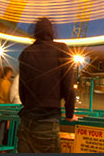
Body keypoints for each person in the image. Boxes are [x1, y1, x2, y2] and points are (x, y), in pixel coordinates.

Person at [17, 17, 77, 153]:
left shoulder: (26, 52)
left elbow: (22, 90)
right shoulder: (62, 49)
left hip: (26, 121)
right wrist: (69, 114)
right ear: (52, 32)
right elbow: (69, 88)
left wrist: (30, 104)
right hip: (47, 120)